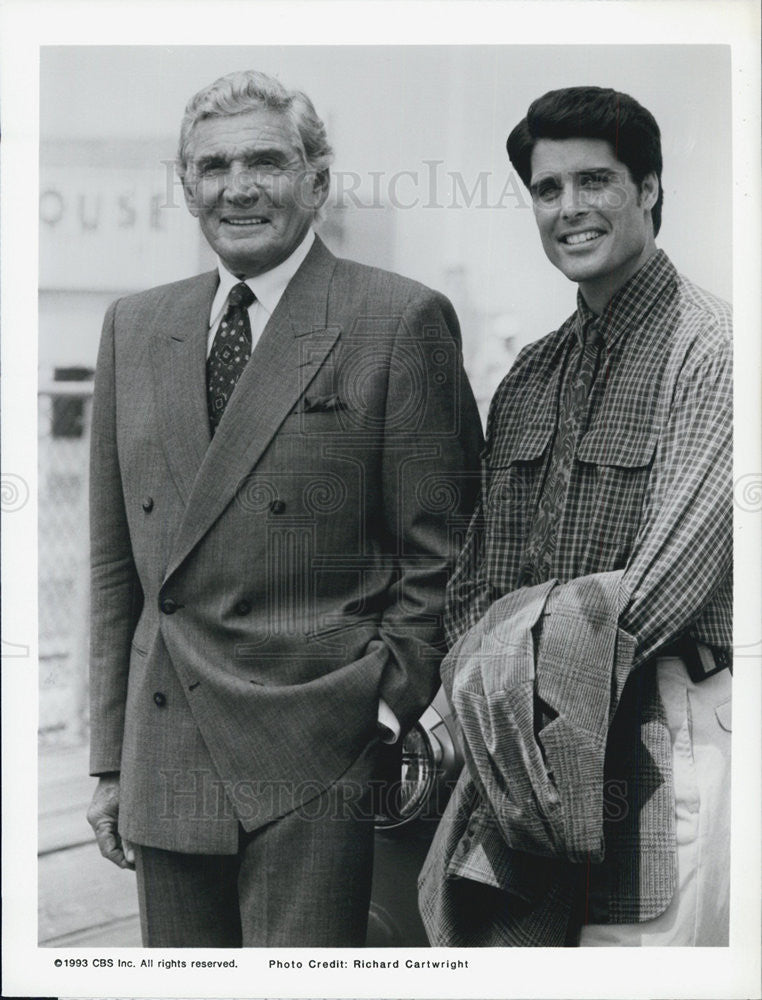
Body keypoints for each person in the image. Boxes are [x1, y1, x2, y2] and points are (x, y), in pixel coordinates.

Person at [86, 69, 483, 948]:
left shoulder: (398, 319)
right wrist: (111, 760)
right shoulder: (135, 327)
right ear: (185, 185)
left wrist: (379, 708)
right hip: (168, 747)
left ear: (317, 178)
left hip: (318, 750)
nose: (239, 187)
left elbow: (448, 554)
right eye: (213, 166)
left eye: (266, 161)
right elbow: (117, 570)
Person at [419, 86, 732, 947]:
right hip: (520, 747)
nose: (569, 209)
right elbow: (476, 580)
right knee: (498, 951)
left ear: (651, 189)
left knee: (632, 964)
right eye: (547, 190)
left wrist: (494, 670)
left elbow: (661, 590)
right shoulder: (531, 375)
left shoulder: (715, 354)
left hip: (662, 730)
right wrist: (483, 698)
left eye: (595, 181)